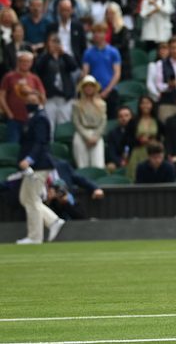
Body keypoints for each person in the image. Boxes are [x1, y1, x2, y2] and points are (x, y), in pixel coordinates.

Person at [15, 90, 64, 244]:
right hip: (35, 164)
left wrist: (29, 159)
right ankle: (53, 220)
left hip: (39, 164)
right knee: (25, 198)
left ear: (40, 100)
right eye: (27, 100)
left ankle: (35, 237)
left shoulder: (41, 118)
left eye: (33, 100)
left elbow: (40, 142)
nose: (29, 103)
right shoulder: (33, 118)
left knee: (32, 198)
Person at [1, 50, 46, 144]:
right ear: (18, 62)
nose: (25, 63)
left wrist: (31, 91)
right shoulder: (8, 77)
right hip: (14, 120)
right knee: (13, 147)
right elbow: (2, 96)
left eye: (28, 61)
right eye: (22, 61)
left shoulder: (35, 78)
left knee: (30, 147)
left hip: (31, 120)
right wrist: (9, 114)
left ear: (31, 63)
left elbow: (43, 98)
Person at [35, 32, 78, 126]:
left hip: (65, 97)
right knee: (50, 124)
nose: (55, 44)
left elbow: (74, 66)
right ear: (47, 43)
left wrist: (64, 54)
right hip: (49, 97)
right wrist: (48, 54)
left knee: (64, 124)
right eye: (53, 41)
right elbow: (38, 68)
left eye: (57, 41)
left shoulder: (64, 57)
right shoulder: (43, 57)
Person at [80, 23, 121, 118]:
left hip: (111, 91)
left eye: (99, 32)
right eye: (94, 33)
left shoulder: (113, 52)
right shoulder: (88, 53)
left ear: (105, 34)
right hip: (94, 92)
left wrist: (107, 91)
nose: (96, 35)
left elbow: (117, 73)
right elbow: (85, 72)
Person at [71, 75, 106, 169]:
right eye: (86, 86)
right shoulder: (76, 105)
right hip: (81, 134)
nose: (89, 88)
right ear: (83, 88)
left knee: (98, 164)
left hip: (96, 135)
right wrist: (86, 136)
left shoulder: (102, 104)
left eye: (91, 86)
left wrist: (96, 136)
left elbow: (103, 122)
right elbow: (76, 122)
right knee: (82, 164)